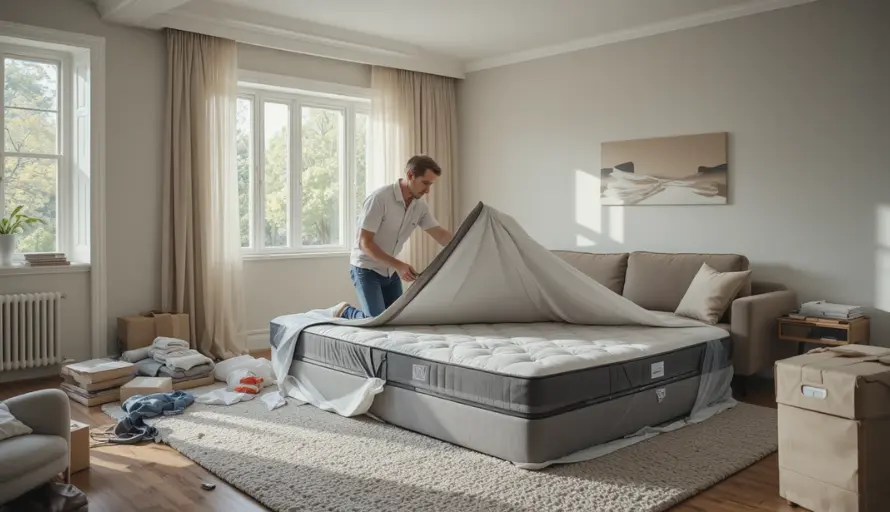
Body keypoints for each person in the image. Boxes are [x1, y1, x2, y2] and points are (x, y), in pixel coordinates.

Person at [328, 155, 453, 319]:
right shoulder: (379, 199)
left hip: (390, 270)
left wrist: (466, 242)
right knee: (377, 321)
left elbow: (439, 233)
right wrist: (399, 265)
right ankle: (346, 311)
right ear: (410, 175)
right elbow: (364, 243)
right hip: (366, 268)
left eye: (431, 184)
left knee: (397, 319)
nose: (428, 190)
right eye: (425, 183)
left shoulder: (419, 206)